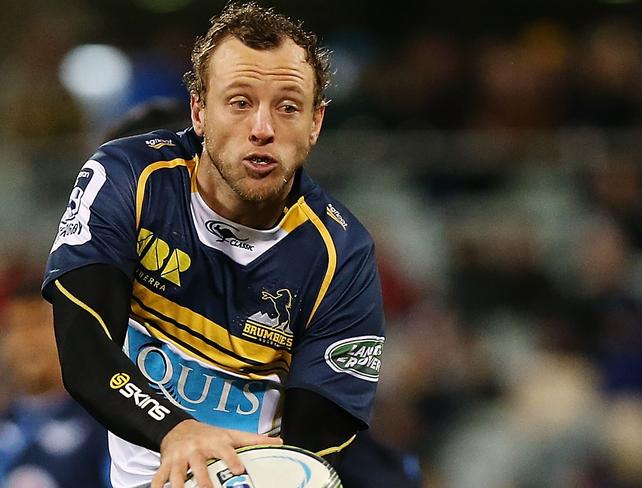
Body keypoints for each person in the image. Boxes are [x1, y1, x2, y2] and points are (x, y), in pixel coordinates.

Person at [42, 3, 385, 488]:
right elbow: (84, 346)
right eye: (240, 102)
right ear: (199, 110)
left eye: (288, 106)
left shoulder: (342, 254)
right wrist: (177, 430)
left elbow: (320, 435)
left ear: (316, 123)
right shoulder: (130, 179)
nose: (263, 129)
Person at [0, 278, 110, 488]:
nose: (27, 340)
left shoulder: (109, 427)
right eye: (14, 327)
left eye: (38, 323)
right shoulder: (5, 423)